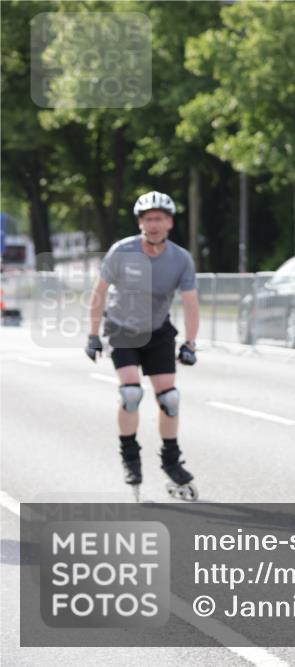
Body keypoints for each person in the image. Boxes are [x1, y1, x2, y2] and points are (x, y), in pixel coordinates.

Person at [86, 191, 201, 500]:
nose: (154, 225)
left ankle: (171, 461)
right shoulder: (121, 252)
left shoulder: (180, 259)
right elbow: (99, 293)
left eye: (159, 219)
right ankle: (130, 457)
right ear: (140, 223)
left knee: (170, 399)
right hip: (122, 328)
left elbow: (191, 304)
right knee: (131, 392)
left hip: (158, 330)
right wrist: (92, 334)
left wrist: (191, 343)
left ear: (169, 223)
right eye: (148, 219)